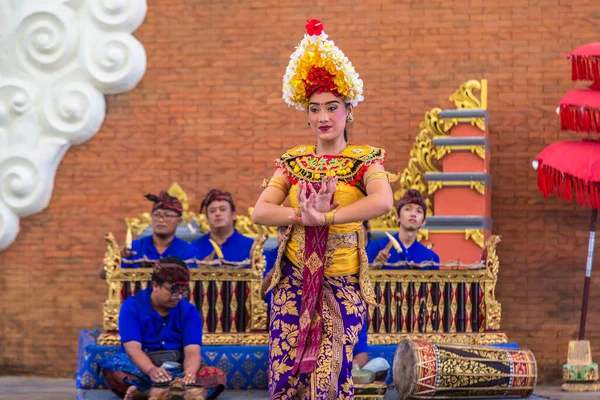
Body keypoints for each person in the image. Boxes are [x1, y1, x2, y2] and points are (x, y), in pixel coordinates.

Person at [252, 19, 394, 399]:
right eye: (314, 109)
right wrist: (301, 216)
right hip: (294, 281)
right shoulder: (293, 160)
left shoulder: (365, 159)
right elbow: (261, 211)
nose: (323, 117)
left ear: (349, 111)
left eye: (332, 107)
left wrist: (327, 218)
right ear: (307, 115)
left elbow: (383, 201)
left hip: (342, 281)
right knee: (286, 374)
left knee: (330, 372)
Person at [100, 257, 225, 400]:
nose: (178, 297)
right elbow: (132, 349)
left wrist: (189, 373)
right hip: (141, 370)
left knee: (217, 376)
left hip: (177, 369)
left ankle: (150, 393)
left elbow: (192, 351)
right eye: (173, 291)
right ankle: (177, 393)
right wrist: (151, 370)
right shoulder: (132, 306)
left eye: (183, 292)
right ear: (155, 285)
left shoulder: (189, 310)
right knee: (113, 370)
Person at [99, 191, 195, 279]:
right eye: (157, 215)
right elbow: (103, 275)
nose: (161, 220)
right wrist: (117, 256)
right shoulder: (133, 248)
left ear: (179, 221)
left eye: (168, 215)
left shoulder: (188, 250)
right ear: (151, 217)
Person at [366, 189, 440, 269]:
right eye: (408, 209)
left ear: (423, 222)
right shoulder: (376, 247)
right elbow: (362, 279)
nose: (413, 214)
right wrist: (375, 266)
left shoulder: (431, 258)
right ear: (397, 217)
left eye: (419, 211)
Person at [192, 189, 254, 263]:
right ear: (207, 219)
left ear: (234, 215)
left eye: (222, 209)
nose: (217, 214)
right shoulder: (194, 247)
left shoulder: (251, 247)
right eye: (212, 211)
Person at [261, 225, 289, 318]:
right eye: (282, 231)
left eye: (290, 232)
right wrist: (272, 273)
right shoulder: (263, 257)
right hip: (267, 317)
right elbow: (254, 295)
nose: (285, 237)